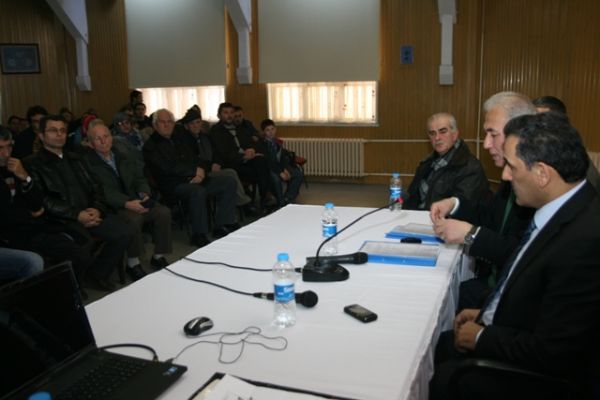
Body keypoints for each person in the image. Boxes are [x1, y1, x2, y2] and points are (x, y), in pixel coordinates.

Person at [429, 112, 600, 400]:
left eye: (511, 167)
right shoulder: (565, 207)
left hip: (544, 379)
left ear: (542, 174)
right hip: (516, 330)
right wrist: (488, 312)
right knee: (441, 344)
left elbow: (556, 351)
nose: (505, 176)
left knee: (445, 376)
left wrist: (482, 336)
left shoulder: (585, 242)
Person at [431, 92, 536, 310]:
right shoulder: (510, 174)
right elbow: (489, 215)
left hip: (511, 294)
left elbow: (524, 255)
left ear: (519, 133)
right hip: (494, 280)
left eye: (492, 134)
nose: (486, 144)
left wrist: (471, 234)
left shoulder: (535, 183)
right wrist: (453, 203)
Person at [24, 115, 134, 291]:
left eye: (62, 130)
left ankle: (97, 274)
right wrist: (77, 215)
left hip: (89, 213)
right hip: (60, 220)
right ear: (42, 136)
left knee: (125, 231)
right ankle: (74, 284)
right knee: (81, 246)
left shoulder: (76, 157)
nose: (59, 134)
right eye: (53, 130)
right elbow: (43, 200)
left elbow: (96, 186)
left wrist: (97, 209)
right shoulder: (32, 164)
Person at [0, 126, 93, 288]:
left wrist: (25, 178)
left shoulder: (15, 167)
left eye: (9, 147)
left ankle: (70, 291)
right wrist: (29, 214)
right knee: (43, 265)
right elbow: (6, 214)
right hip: (10, 235)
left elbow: (37, 202)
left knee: (79, 246)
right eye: (1, 148)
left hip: (32, 227)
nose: (6, 154)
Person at [85, 120, 172, 278]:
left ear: (112, 137)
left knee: (163, 212)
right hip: (112, 207)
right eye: (98, 138)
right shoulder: (88, 164)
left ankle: (158, 256)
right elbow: (103, 192)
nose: (104, 141)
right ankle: (133, 263)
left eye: (106, 136)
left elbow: (140, 178)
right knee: (134, 219)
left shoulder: (123, 156)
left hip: (135, 200)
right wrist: (127, 203)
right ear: (91, 143)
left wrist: (144, 193)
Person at [143, 109, 239, 248]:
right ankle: (198, 234)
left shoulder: (178, 139)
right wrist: (194, 172)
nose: (167, 125)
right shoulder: (150, 145)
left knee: (228, 182)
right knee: (197, 191)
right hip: (172, 185)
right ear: (155, 125)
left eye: (170, 122)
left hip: (194, 179)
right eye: (162, 122)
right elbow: (167, 168)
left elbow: (195, 158)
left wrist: (201, 170)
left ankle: (223, 224)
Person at [180, 108, 258, 216]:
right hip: (200, 173)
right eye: (192, 123)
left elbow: (216, 152)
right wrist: (210, 165)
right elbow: (193, 160)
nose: (196, 126)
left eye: (198, 122)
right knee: (231, 173)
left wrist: (217, 162)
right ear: (186, 126)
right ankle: (245, 203)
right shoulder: (184, 141)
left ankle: (240, 206)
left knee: (234, 174)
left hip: (213, 168)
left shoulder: (205, 137)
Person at [404, 112, 489, 210]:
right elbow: (412, 196)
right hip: (418, 215)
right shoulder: (426, 163)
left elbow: (464, 207)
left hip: (443, 218)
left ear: (455, 134)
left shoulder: (470, 167)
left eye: (443, 132)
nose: (437, 138)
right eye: (432, 133)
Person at [210, 102, 274, 210]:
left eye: (231, 112)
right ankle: (249, 202)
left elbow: (253, 142)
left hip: (246, 160)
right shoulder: (216, 130)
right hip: (231, 163)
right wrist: (243, 157)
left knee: (262, 161)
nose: (229, 115)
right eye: (226, 113)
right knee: (260, 172)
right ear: (219, 115)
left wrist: (252, 150)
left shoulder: (239, 127)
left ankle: (264, 199)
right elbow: (224, 153)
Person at [259, 119, 303, 207]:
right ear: (264, 132)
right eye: (268, 130)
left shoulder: (277, 142)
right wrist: (280, 172)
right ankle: (281, 202)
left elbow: (282, 158)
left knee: (298, 174)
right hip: (269, 169)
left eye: (272, 129)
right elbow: (269, 162)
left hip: (280, 166)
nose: (271, 132)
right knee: (276, 179)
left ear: (275, 129)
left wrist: (285, 169)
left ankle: (288, 198)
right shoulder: (262, 144)